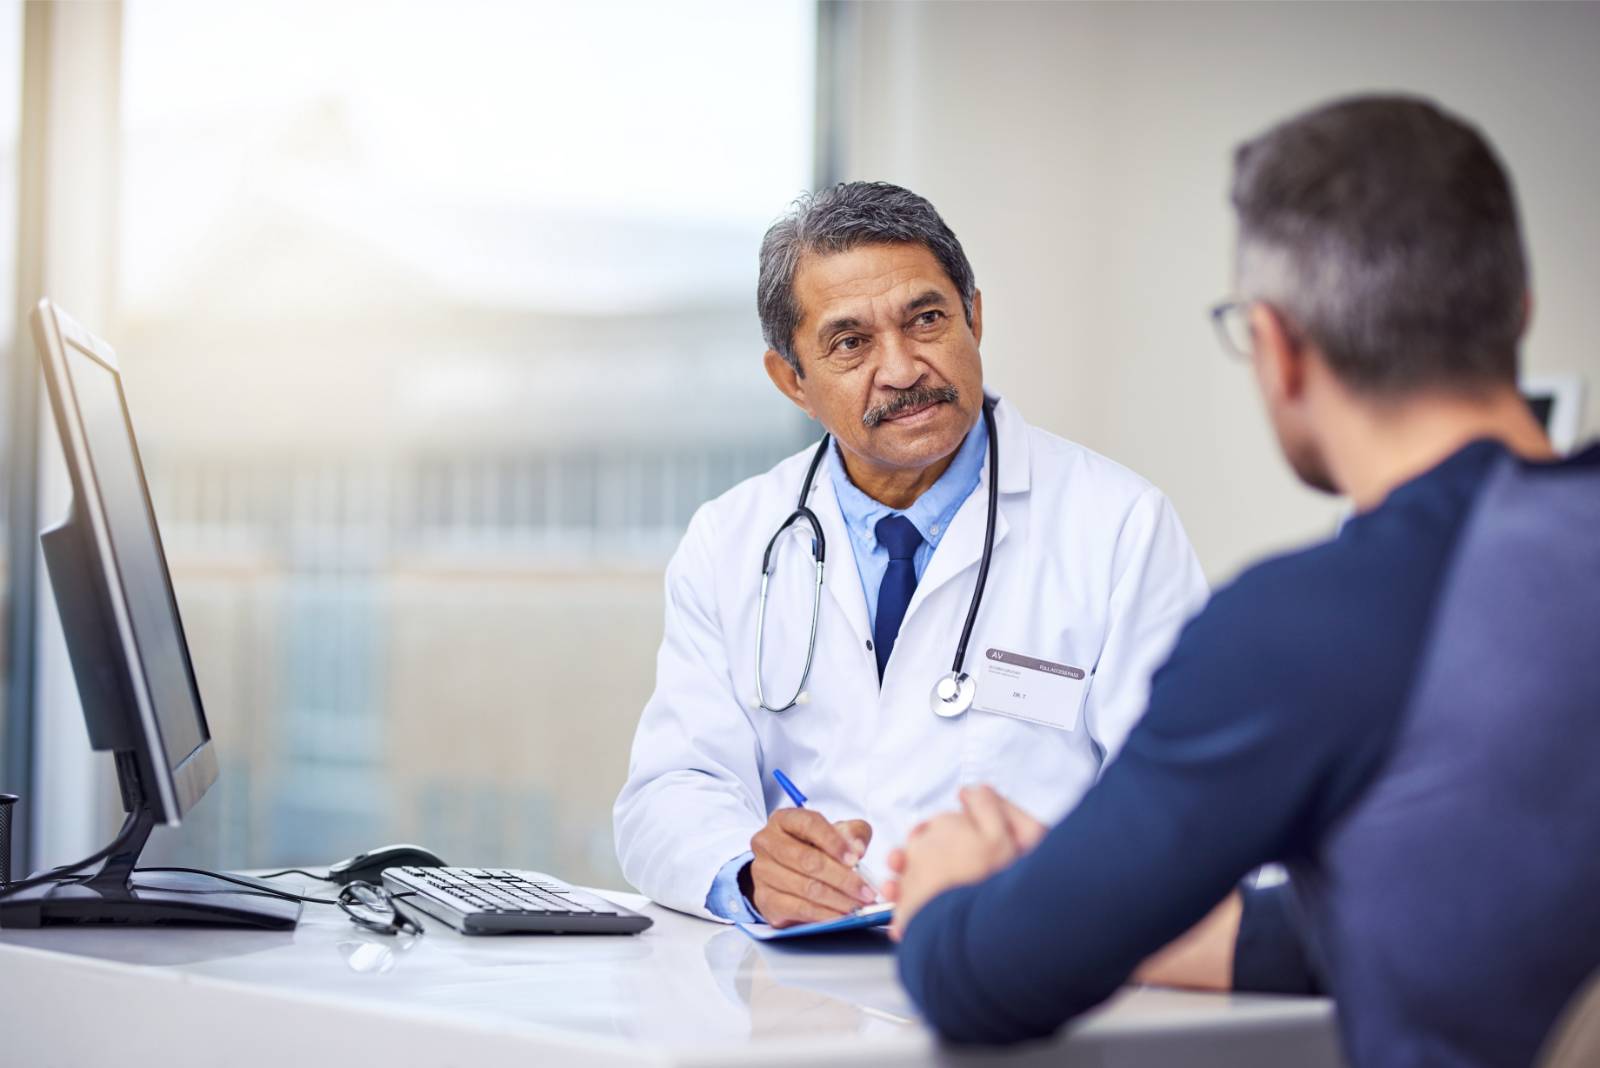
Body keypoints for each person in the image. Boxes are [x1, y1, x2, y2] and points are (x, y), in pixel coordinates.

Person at [887, 95, 1600, 1067]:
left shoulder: (1306, 625)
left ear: (1278, 347)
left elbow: (982, 981)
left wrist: (947, 894)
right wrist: (1089, 886)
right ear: (1515, 310)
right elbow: (1496, 909)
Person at [613, 182, 1209, 929]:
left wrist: (1048, 879)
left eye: (926, 319)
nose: (901, 369)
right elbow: (671, 789)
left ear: (975, 317)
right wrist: (751, 870)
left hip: (1020, 973)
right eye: (850, 342)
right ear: (791, 380)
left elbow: (1183, 798)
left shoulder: (1119, 526)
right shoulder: (731, 539)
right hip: (798, 1001)